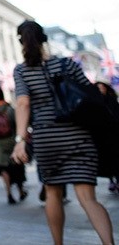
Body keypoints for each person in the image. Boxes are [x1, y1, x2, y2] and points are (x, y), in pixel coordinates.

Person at [11, 20, 114, 245]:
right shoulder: (67, 64)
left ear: (21, 42)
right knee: (88, 198)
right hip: (78, 134)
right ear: (44, 39)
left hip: (48, 138)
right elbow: (89, 93)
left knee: (53, 194)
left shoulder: (21, 71)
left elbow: (23, 103)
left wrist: (20, 140)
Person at [0, 88, 26, 204]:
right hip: (12, 141)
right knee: (17, 166)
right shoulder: (9, 110)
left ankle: (8, 193)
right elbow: (18, 123)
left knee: (4, 168)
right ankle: (21, 191)